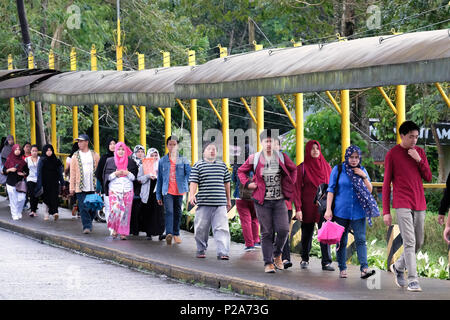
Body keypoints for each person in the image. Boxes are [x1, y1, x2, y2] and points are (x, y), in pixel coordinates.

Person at [238, 130, 297, 273]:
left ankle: (277, 254)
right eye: (266, 141)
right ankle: (268, 263)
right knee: (267, 232)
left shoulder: (281, 157)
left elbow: (293, 169)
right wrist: (247, 183)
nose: (269, 144)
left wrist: (290, 184)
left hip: (279, 201)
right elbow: (241, 171)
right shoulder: (255, 158)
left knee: (283, 230)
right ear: (261, 143)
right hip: (262, 201)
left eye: (271, 141)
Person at [382, 120, 432, 292]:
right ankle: (412, 279)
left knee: (419, 241)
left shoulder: (420, 153)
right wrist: (386, 212)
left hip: (419, 202)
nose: (414, 140)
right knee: (410, 241)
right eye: (411, 137)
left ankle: (398, 266)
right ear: (402, 135)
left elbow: (429, 177)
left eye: (416, 137)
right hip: (402, 202)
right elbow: (386, 183)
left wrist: (419, 160)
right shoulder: (392, 154)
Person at [325, 145, 378, 280]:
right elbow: (330, 190)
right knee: (341, 241)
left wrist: (364, 176)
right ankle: (342, 268)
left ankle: (364, 268)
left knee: (361, 239)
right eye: (351, 157)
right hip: (340, 212)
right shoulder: (338, 169)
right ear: (346, 157)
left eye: (356, 157)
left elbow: (369, 190)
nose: (354, 160)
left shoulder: (362, 170)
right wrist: (328, 209)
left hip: (358, 212)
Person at [294, 140, 334, 271]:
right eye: (312, 148)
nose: (315, 151)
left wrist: (331, 207)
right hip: (307, 206)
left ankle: (326, 262)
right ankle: (304, 258)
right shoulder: (302, 167)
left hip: (323, 207)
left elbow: (332, 188)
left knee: (325, 233)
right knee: (306, 233)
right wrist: (298, 208)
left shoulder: (327, 166)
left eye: (317, 148)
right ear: (307, 150)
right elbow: (297, 189)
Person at [189, 141, 232, 260]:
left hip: (220, 202)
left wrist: (228, 200)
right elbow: (193, 181)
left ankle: (223, 252)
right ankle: (201, 249)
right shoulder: (198, 165)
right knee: (200, 228)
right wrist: (192, 195)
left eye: (214, 149)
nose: (212, 151)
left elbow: (227, 183)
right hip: (204, 203)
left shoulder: (222, 165)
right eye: (209, 149)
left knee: (222, 228)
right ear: (203, 152)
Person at [156, 136, 191, 245]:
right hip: (167, 191)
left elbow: (190, 174)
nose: (172, 146)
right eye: (170, 144)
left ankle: (176, 234)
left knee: (178, 212)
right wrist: (158, 195)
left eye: (174, 144)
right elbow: (160, 179)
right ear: (167, 146)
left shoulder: (184, 160)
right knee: (169, 211)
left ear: (178, 146)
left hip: (180, 190)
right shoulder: (162, 161)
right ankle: (169, 234)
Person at [103, 142, 138, 240]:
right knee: (115, 209)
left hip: (128, 189)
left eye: (123, 149)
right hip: (114, 189)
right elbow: (106, 177)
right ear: (115, 150)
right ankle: (114, 228)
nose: (121, 151)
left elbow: (135, 178)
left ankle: (123, 233)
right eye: (119, 149)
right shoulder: (110, 161)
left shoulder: (131, 162)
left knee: (126, 212)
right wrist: (115, 173)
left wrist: (128, 173)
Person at [69, 134, 100, 234]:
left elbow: (99, 171)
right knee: (83, 207)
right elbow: (72, 172)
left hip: (92, 185)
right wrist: (71, 187)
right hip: (80, 186)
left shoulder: (95, 155)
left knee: (93, 207)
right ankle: (86, 226)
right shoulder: (75, 156)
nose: (79, 143)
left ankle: (89, 223)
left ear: (86, 142)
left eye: (81, 141)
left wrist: (100, 185)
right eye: (78, 142)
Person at [232, 144, 260, 252]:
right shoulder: (257, 164)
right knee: (255, 218)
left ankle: (249, 244)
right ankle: (256, 241)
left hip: (241, 196)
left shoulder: (238, 164)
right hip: (255, 196)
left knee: (245, 220)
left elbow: (234, 179)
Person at [138, 148, 165, 240]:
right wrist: (148, 176)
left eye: (156, 155)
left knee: (159, 212)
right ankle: (149, 233)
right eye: (152, 155)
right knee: (148, 212)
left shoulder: (161, 165)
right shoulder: (144, 165)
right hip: (148, 192)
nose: (154, 157)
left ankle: (160, 233)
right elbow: (139, 179)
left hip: (158, 191)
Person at [35, 144, 65, 221]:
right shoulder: (42, 160)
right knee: (46, 198)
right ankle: (46, 213)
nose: (49, 152)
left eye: (50, 150)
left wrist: (62, 183)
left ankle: (55, 212)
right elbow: (39, 172)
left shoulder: (57, 161)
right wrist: (39, 184)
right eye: (47, 150)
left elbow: (60, 173)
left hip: (54, 182)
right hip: (45, 182)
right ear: (44, 151)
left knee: (54, 197)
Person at [95, 138, 116, 230]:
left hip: (118, 187)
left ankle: (116, 226)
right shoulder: (104, 158)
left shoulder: (120, 157)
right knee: (108, 207)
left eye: (114, 143)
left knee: (116, 208)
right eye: (110, 144)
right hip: (106, 186)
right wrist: (98, 188)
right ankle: (111, 227)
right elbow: (99, 173)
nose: (112, 146)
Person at [3, 144, 29, 220]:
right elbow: (4, 171)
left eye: (19, 150)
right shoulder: (9, 159)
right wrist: (9, 169)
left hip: (19, 183)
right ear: (13, 150)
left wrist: (23, 174)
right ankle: (14, 214)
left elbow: (27, 171)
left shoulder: (22, 161)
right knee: (13, 200)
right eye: (16, 149)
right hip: (10, 182)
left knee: (22, 198)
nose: (17, 151)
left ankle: (18, 212)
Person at [130, 145, 145, 236]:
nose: (140, 154)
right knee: (133, 209)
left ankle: (140, 228)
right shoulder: (131, 162)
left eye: (142, 152)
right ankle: (133, 229)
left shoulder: (146, 162)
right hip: (133, 188)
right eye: (138, 152)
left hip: (143, 188)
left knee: (141, 209)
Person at [65, 142, 80, 218]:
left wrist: (66, 174)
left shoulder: (69, 157)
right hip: (80, 177)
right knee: (80, 193)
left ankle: (74, 204)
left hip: (72, 176)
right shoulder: (81, 156)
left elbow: (67, 168)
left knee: (73, 191)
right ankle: (80, 212)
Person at [25, 145, 40, 217]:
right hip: (30, 178)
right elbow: (23, 168)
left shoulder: (40, 159)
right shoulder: (27, 159)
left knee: (36, 194)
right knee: (31, 194)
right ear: (30, 151)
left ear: (37, 152)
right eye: (33, 151)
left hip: (38, 179)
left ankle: (34, 209)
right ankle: (32, 211)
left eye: (36, 151)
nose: (34, 152)